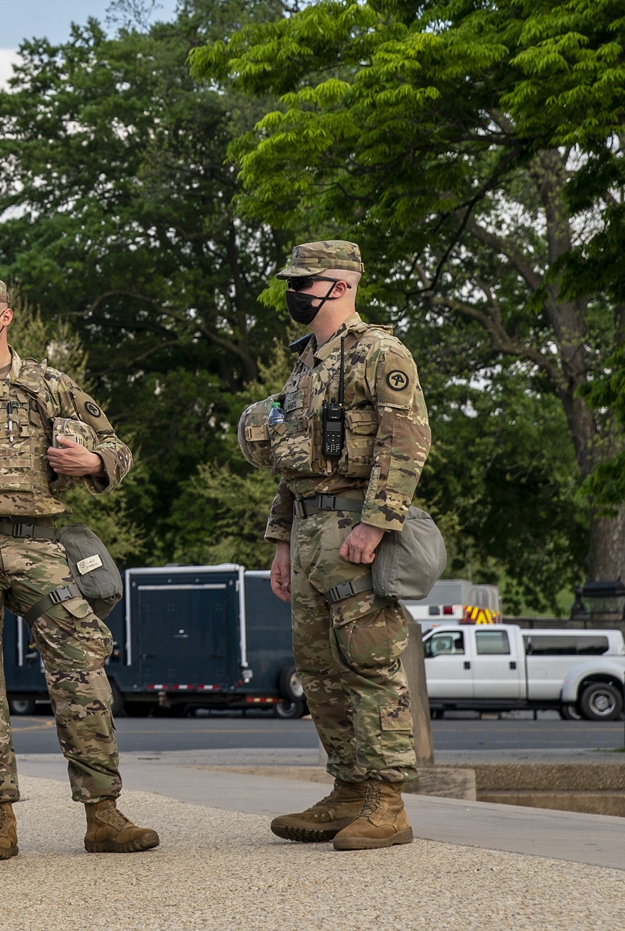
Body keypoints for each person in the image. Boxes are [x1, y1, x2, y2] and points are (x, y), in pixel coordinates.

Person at [0, 277, 158, 857]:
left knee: (81, 666)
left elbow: (118, 449)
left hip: (41, 544)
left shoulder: (50, 384)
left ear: (5, 317)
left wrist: (93, 459)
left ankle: (104, 811)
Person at [252, 241, 430, 850]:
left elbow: (404, 441)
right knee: (319, 668)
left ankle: (388, 804)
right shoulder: (304, 364)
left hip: (355, 526)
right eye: (293, 281)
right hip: (308, 531)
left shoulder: (380, 351)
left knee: (369, 661)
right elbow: (288, 461)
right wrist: (280, 540)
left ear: (342, 285)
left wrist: (376, 524)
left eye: (306, 282)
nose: (295, 292)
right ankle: (348, 790)